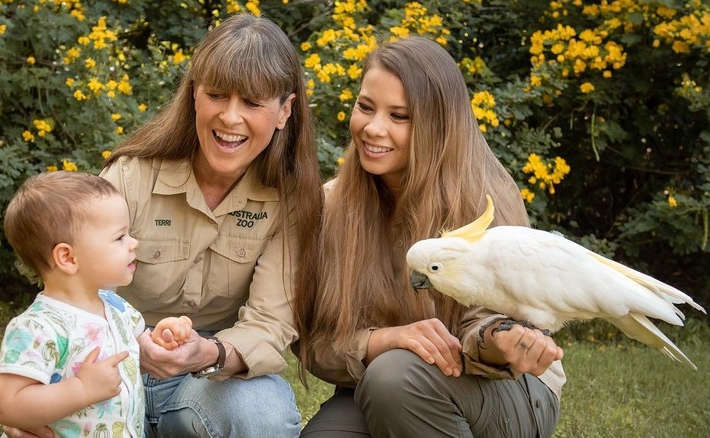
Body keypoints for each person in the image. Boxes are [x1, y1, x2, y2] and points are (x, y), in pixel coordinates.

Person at [294, 37, 566, 437]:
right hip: (376, 388)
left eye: (399, 116)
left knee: (394, 378)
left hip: (504, 388)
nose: (373, 128)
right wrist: (385, 340)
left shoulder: (485, 200)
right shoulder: (331, 205)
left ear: (437, 124)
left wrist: (499, 340)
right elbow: (312, 345)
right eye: (365, 107)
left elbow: (501, 325)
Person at [97, 12, 319, 438]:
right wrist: (130, 344)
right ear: (195, 93)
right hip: (109, 371)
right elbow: (72, 290)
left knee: (261, 411)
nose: (230, 118)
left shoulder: (292, 203)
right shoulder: (129, 176)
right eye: (217, 95)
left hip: (203, 382)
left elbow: (269, 326)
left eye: (252, 103)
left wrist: (207, 353)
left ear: (284, 111)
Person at [0, 171, 146, 437]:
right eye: (119, 237)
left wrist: (164, 338)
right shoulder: (38, 327)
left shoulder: (115, 305)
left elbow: (137, 342)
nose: (133, 243)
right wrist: (82, 389)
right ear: (68, 257)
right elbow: (7, 405)